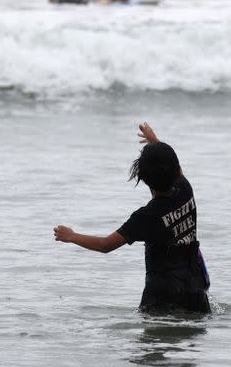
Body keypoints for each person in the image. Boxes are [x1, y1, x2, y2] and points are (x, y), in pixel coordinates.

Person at [54, 123, 211, 314]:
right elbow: (172, 167)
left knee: (157, 342)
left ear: (144, 180)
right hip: (195, 290)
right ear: (177, 171)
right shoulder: (185, 190)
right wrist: (155, 142)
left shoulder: (145, 217)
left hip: (162, 298)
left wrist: (71, 236)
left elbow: (105, 245)